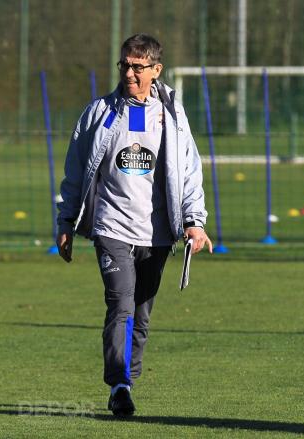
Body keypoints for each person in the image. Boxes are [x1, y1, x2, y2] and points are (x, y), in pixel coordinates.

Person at [55, 34, 212, 417]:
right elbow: (75, 170)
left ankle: (128, 378)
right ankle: (119, 386)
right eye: (124, 64)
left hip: (157, 234)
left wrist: (195, 222)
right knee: (120, 305)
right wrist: (65, 219)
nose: (129, 72)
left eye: (137, 66)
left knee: (141, 315)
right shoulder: (99, 112)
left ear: (156, 70)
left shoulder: (172, 117)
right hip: (111, 228)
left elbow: (188, 172)